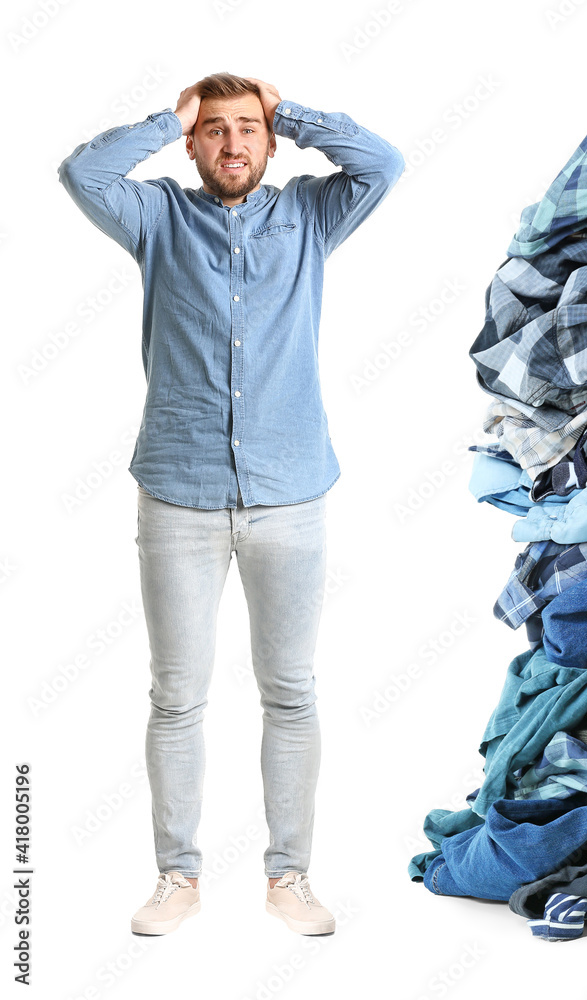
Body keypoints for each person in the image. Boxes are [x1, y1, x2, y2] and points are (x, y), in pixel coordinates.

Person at [58, 72, 405, 936]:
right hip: (179, 492)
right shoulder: (157, 220)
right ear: (192, 143)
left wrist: (294, 111)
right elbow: (82, 174)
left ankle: (291, 876)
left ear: (271, 139)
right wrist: (167, 114)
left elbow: (384, 163)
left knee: (290, 690)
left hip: (291, 494)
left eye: (247, 128)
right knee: (177, 696)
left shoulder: (310, 217)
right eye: (213, 130)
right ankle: (177, 877)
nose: (232, 144)